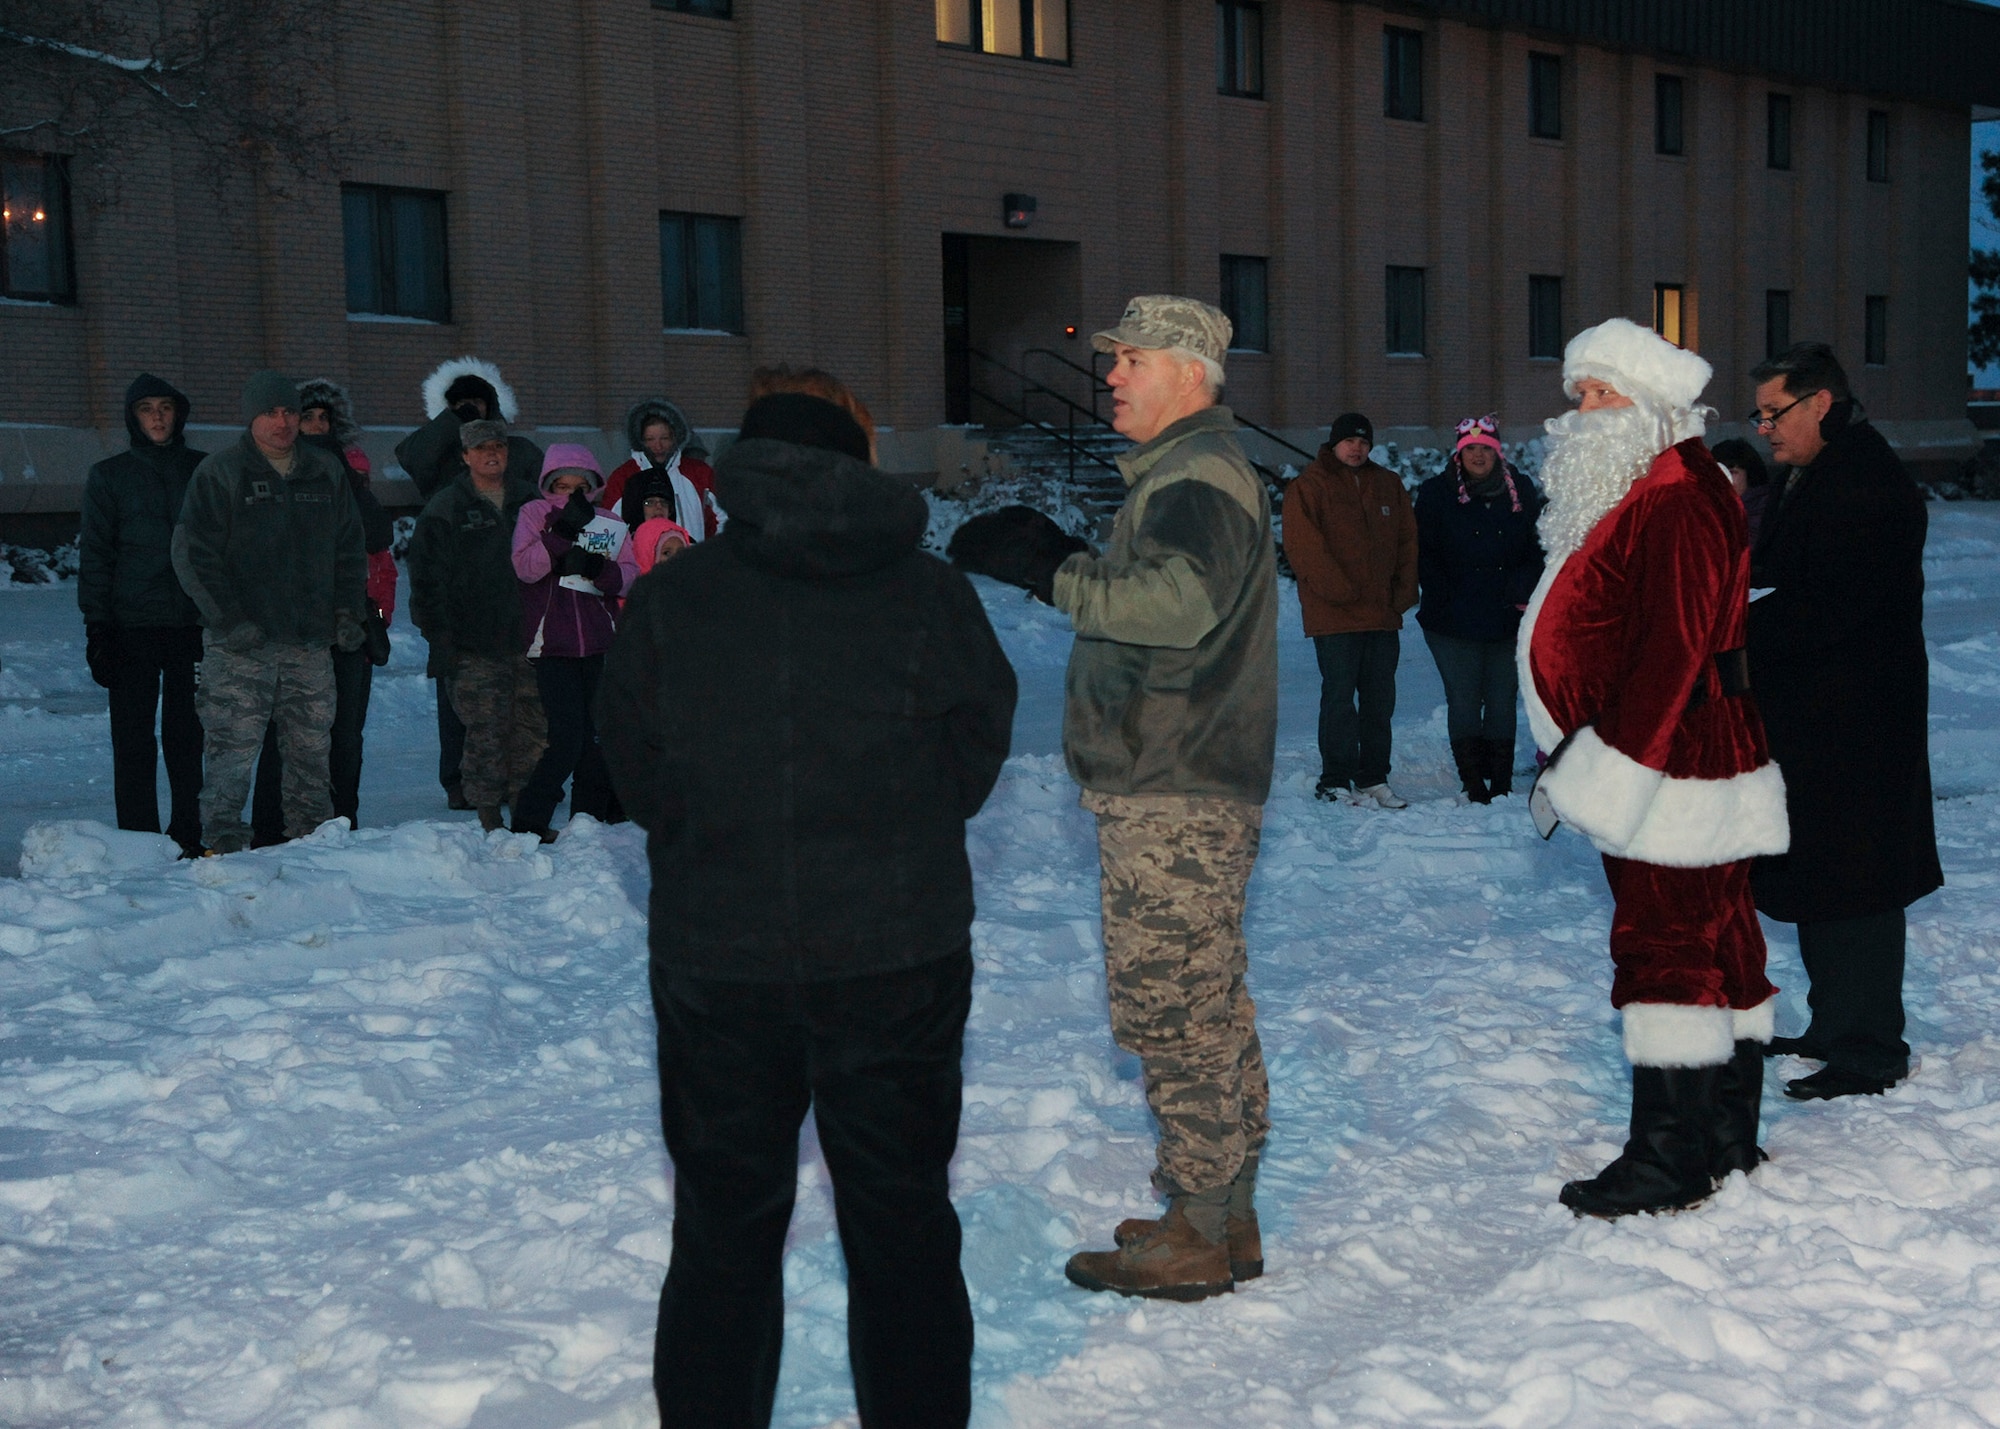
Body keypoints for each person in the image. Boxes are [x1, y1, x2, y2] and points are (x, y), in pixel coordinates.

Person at [600, 386, 1015, 1428]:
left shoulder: (675, 598)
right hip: (896, 954)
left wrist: (709, 838)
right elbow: (975, 743)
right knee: (902, 1222)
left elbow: (632, 763)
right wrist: (905, 826)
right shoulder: (928, 595)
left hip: (719, 956)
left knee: (721, 1231)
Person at [952, 296, 1278, 1300]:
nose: (1112, 378)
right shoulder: (1190, 473)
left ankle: (1195, 1228)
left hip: (1172, 788)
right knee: (1208, 1003)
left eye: (1131, 360)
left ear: (1191, 373)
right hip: (1184, 779)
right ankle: (1223, 1214)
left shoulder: (1192, 477)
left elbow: (1172, 606)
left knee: (1175, 1012)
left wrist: (1055, 571)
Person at [1520, 318, 1790, 1217]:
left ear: (1655, 407)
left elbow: (1671, 653)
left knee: (1666, 946)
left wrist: (1613, 770)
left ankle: (1669, 1158)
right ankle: (1723, 1133)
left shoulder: (1675, 496)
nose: (1582, 413)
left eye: (1603, 395)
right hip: (1690, 751)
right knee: (1721, 938)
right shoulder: (1659, 486)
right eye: (1580, 396)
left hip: (1672, 761)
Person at [1745, 343, 1942, 1100]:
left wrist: (1732, 631)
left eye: (1775, 412)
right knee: (1825, 872)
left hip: (1860, 723)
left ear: (1820, 402)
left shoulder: (1864, 482)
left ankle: (1869, 1048)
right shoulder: (1823, 471)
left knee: (1858, 882)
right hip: (1823, 717)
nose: (1765, 428)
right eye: (1759, 414)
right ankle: (1835, 1024)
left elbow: (1827, 607)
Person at [171, 372, 368, 854]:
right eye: (270, 413)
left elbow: (348, 548)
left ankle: (309, 846)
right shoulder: (222, 472)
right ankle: (221, 846)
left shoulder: (324, 471)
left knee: (310, 754)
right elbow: (193, 553)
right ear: (251, 417)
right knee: (231, 753)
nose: (282, 422)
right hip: (242, 645)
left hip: (309, 642)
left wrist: (347, 612)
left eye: (289, 412)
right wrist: (229, 621)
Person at [248, 378, 396, 838]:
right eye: (304, 417)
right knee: (286, 733)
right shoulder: (267, 471)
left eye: (321, 418)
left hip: (350, 623)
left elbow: (378, 541)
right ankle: (272, 829)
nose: (313, 426)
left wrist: (342, 477)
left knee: (346, 734)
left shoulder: (350, 471)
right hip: (290, 626)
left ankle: (340, 824)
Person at [395, 357, 543, 813]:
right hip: (461, 606)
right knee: (461, 703)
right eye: (460, 404)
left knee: (520, 707)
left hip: (517, 605)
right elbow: (410, 457)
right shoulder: (440, 454)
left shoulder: (517, 453)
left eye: (477, 403)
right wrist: (452, 422)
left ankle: (522, 786)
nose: (471, 411)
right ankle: (460, 782)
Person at [77, 374, 208, 855]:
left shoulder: (203, 471)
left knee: (188, 739)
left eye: (165, 407)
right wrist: (98, 626)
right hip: (131, 627)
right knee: (133, 740)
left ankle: (190, 835)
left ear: (180, 413)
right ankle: (138, 841)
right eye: (146, 408)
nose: (157, 416)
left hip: (192, 627)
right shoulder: (110, 476)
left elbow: (222, 548)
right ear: (133, 417)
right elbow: (96, 554)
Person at [1282, 410, 1418, 808]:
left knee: (1379, 700)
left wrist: (1403, 593)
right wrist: (1339, 591)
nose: (1356, 448)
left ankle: (1373, 776)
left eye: (1363, 442)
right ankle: (1335, 779)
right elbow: (1304, 547)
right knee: (1339, 699)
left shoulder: (1388, 485)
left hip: (1381, 614)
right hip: (1335, 616)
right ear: (1333, 443)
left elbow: (1409, 543)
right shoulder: (1309, 487)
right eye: (1349, 441)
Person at [509, 444, 638, 841]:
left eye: (580, 485)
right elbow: (525, 569)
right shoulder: (535, 515)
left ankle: (589, 819)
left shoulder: (608, 520)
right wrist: (561, 533)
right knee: (566, 736)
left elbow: (630, 574)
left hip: (600, 642)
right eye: (561, 485)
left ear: (594, 485)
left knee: (597, 737)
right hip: (553, 645)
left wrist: (599, 568)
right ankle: (529, 822)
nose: (570, 493)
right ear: (547, 486)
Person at [1414, 414, 1545, 803]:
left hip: (1508, 614)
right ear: (1459, 453)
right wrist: (1446, 594)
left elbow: (1537, 547)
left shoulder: (1520, 490)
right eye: (1469, 448)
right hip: (1452, 619)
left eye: (1484, 448)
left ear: (1496, 451)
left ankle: (1501, 781)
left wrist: (1522, 587)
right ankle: (1473, 782)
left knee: (1503, 697)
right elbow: (1425, 554)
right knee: (1466, 697)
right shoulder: (1437, 493)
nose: (1477, 455)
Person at [598, 399, 718, 539]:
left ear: (675, 438)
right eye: (650, 439)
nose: (658, 446)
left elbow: (721, 519)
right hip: (639, 559)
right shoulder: (624, 477)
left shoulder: (699, 473)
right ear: (640, 440)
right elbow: (609, 526)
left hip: (691, 558)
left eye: (664, 438)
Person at [1709, 436, 1774, 550]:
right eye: (1717, 472)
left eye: (1732, 472)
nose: (1725, 478)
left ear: (1750, 474)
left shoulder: (1767, 510)